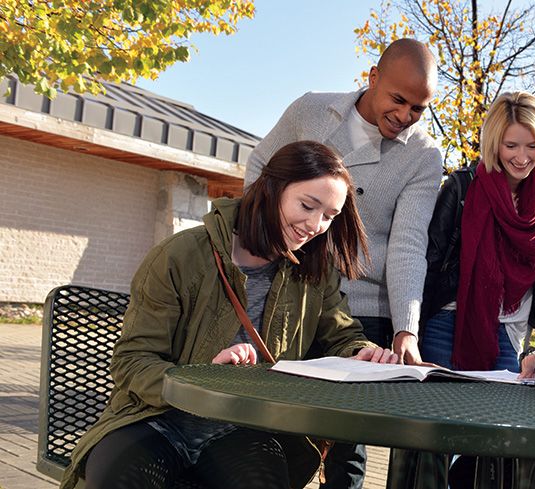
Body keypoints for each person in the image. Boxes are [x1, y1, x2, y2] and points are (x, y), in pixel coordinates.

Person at [60, 141, 400, 489]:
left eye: (329, 216)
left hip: (242, 427)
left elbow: (341, 335)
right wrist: (200, 381)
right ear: (271, 189)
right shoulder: (180, 255)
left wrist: (362, 352)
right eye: (307, 206)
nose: (315, 226)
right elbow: (132, 361)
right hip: (154, 419)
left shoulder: (316, 270)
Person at [244, 38, 443, 488]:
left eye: (419, 108)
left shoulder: (424, 157)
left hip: (362, 307)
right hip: (290, 292)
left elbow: (408, 245)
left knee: (348, 446)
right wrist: (265, 237)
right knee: (279, 424)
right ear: (373, 78)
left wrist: (405, 329)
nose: (406, 116)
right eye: (398, 99)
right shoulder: (311, 110)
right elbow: (261, 164)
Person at [420, 90, 535, 372]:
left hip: (511, 333)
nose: (522, 157)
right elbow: (430, 264)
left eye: (532, 146)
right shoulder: (462, 187)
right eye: (511, 146)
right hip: (449, 327)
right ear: (495, 143)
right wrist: (412, 330)